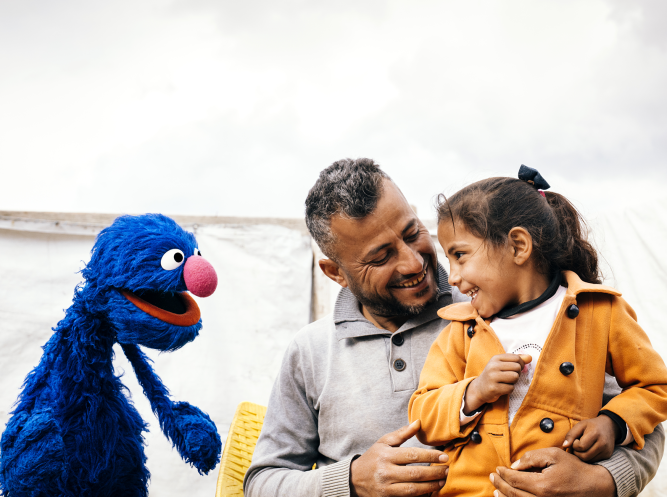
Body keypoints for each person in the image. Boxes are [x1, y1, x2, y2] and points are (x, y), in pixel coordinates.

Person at [244, 159, 665, 497]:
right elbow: (261, 483)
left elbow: (641, 425)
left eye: (413, 233)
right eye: (381, 256)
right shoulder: (310, 352)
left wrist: (600, 482)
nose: (412, 262)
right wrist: (351, 482)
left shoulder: (498, 309)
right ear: (335, 272)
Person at [409, 167, 667, 496]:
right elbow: (421, 412)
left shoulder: (599, 312)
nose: (454, 276)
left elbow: (655, 386)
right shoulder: (460, 330)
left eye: (460, 255)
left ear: (518, 246)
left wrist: (613, 424)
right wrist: (473, 391)